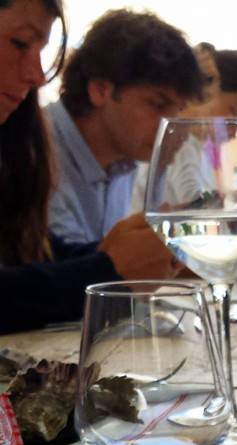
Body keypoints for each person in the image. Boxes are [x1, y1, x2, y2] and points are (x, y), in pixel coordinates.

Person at [0, 0, 179, 333]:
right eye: (20, 43)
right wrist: (108, 270)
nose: (37, 75)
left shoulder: (17, 142)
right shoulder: (45, 145)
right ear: (100, 89)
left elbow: (28, 252)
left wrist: (114, 253)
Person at [45, 9, 204, 245]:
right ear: (100, 90)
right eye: (158, 104)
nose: (171, 126)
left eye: (179, 109)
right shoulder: (34, 147)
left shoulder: (124, 159)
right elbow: (64, 263)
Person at [127, 47, 237, 214]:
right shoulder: (179, 144)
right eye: (234, 111)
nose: (235, 127)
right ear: (209, 93)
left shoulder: (203, 148)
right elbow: (193, 206)